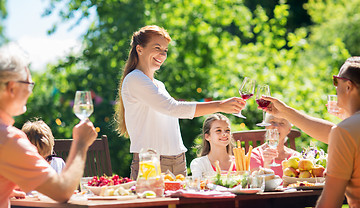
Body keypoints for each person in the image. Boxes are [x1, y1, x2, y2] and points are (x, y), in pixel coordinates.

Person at [115, 25, 245, 180]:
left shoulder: (159, 85)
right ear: (139, 49)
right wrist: (219, 105)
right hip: (152, 163)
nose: (162, 55)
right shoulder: (135, 79)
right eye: (157, 48)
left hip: (177, 161)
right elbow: (173, 108)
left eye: (165, 50)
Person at [0, 45, 98, 207]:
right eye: (29, 84)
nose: (31, 91)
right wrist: (81, 143)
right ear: (12, 87)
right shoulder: (9, 139)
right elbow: (62, 191)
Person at [261, 57, 360, 208]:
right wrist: (286, 112)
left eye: (335, 81)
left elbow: (330, 202)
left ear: (348, 86)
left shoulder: (345, 132)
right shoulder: (347, 130)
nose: (334, 88)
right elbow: (330, 133)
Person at [190, 113, 236, 178]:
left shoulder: (240, 162)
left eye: (227, 130)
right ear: (207, 136)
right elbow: (197, 185)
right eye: (218, 130)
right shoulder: (199, 164)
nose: (224, 134)